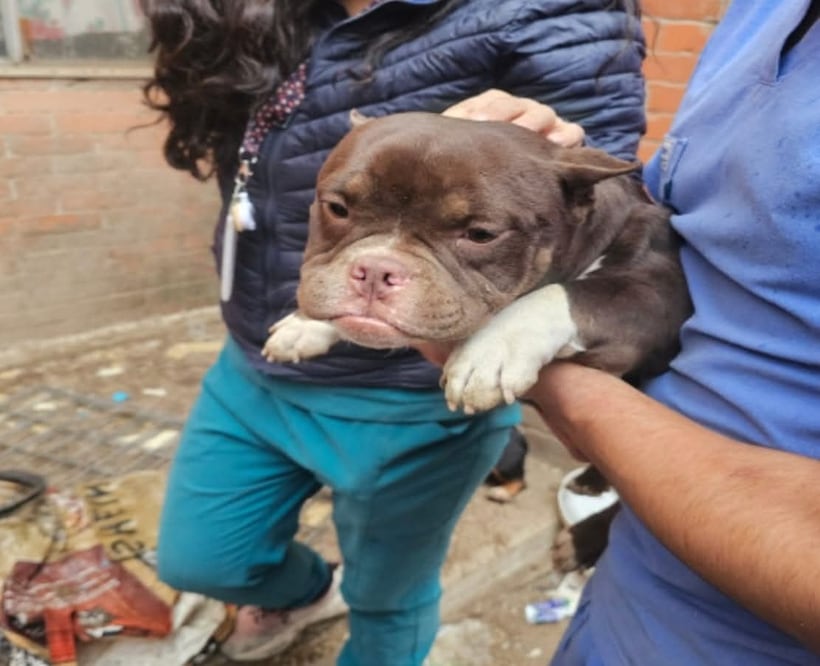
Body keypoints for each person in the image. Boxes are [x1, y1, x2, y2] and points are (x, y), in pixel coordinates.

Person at [137, 1, 645, 664]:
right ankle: (310, 593)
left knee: (388, 599)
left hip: (412, 401)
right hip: (258, 358)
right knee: (201, 560)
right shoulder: (267, 14)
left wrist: (550, 139)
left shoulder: (548, 12)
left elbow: (606, 225)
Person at [522, 1, 820, 664]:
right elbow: (673, 238)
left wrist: (577, 399)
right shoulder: (763, 11)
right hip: (631, 587)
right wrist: (546, 180)